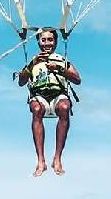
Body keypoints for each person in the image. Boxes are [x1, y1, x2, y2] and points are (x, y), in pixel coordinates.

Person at [17, 27, 82, 176]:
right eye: (44, 40)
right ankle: (41, 161)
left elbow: (77, 79)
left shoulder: (61, 60)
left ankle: (57, 158)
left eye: (50, 40)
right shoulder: (33, 61)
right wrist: (31, 65)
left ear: (56, 41)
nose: (47, 43)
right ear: (39, 41)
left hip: (58, 95)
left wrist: (59, 69)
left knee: (64, 107)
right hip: (39, 97)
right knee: (36, 109)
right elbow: (21, 82)